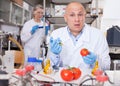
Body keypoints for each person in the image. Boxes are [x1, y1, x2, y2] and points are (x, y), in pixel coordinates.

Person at [48, 2, 111, 73]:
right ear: (65, 18)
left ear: (84, 16)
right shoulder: (56, 35)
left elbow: (107, 66)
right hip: (64, 80)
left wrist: (95, 61)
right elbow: (48, 68)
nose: (77, 19)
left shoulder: (98, 35)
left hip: (88, 81)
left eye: (80, 14)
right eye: (72, 15)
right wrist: (54, 55)